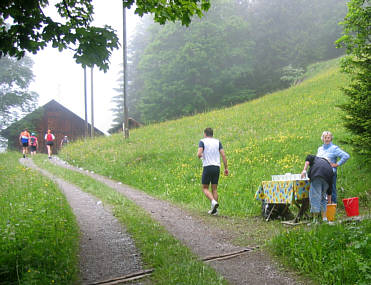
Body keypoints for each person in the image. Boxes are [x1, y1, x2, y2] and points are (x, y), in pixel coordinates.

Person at [197, 128, 229, 215]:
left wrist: (202, 157)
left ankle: (213, 202)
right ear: (212, 134)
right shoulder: (217, 142)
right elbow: (223, 155)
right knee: (214, 189)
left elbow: (199, 154)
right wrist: (226, 168)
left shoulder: (202, 141)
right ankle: (215, 211)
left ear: (205, 134)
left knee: (205, 188)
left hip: (207, 167)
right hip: (216, 167)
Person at [316, 131, 350, 204]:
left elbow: (346, 156)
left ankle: (333, 206)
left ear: (331, 138)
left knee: (331, 189)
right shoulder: (320, 149)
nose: (327, 139)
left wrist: (337, 164)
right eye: (325, 137)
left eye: (328, 137)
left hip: (330, 173)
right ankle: (324, 208)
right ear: (322, 139)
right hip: (320, 173)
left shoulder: (334, 148)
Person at [301, 155, 333, 224]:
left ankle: (315, 220)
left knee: (315, 197)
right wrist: (329, 202)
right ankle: (324, 219)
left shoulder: (317, 158)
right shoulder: (329, 167)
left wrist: (304, 170)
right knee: (323, 197)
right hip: (327, 178)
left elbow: (308, 158)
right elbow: (330, 188)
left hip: (317, 175)